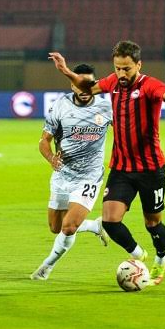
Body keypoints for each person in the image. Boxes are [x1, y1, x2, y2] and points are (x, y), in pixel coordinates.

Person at [49, 40, 165, 285]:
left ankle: (161, 257)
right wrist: (66, 71)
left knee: (153, 223)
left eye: (127, 69)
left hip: (150, 168)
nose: (121, 74)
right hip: (121, 167)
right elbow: (88, 87)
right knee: (111, 221)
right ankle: (138, 256)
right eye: (118, 68)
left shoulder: (149, 86)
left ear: (138, 65)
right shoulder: (112, 83)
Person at [30, 64, 112, 281]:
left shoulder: (105, 108)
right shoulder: (60, 106)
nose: (84, 89)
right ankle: (95, 225)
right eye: (80, 84)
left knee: (68, 227)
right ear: (72, 84)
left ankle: (46, 268)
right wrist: (50, 158)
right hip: (62, 175)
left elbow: (126, 133)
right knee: (55, 227)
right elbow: (44, 141)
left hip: (90, 176)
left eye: (90, 84)